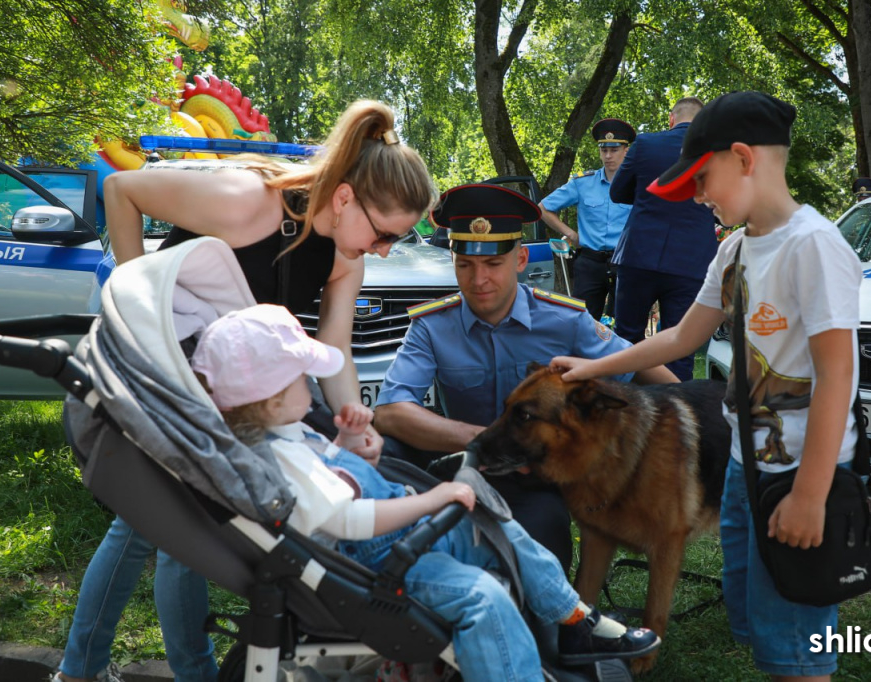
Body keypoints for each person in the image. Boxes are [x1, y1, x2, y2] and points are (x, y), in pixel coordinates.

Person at [54, 101, 437, 682]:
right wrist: (141, 320)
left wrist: (354, 423)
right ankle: (108, 671)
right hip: (168, 372)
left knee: (186, 525)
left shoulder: (345, 257)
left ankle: (107, 670)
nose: (385, 249)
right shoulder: (247, 202)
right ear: (344, 199)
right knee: (157, 525)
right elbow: (124, 190)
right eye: (385, 234)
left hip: (230, 394)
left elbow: (335, 356)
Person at [552, 91, 863, 681]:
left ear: (744, 158)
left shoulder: (814, 247)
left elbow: (836, 378)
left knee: (797, 645)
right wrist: (589, 367)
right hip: (748, 468)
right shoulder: (735, 249)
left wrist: (810, 496)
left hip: (800, 473)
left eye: (702, 179)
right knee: (756, 616)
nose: (698, 197)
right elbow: (679, 339)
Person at [189, 303, 663, 681]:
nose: (311, 386)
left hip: (398, 545)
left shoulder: (288, 436)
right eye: (301, 379)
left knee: (503, 530)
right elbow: (345, 520)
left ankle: (574, 621)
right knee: (483, 596)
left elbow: (330, 485)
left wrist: (351, 448)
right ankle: (555, 639)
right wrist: (435, 498)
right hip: (377, 560)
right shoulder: (281, 457)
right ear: (271, 398)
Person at [372, 183, 678, 574]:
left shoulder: (563, 320)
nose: (478, 279)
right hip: (467, 464)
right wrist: (485, 440)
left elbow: (641, 367)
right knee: (382, 454)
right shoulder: (433, 326)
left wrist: (692, 412)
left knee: (543, 542)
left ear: (520, 259)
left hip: (539, 477)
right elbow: (391, 412)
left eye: (493, 264)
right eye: (464, 264)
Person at [609, 96, 716, 381]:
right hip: (691, 259)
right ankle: (677, 415)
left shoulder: (645, 144)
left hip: (640, 254)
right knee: (680, 343)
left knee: (626, 338)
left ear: (671, 119)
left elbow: (617, 192)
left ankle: (625, 409)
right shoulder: (717, 153)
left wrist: (648, 195)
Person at [539, 118, 635, 320]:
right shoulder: (583, 183)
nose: (608, 156)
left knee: (626, 326)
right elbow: (543, 208)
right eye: (603, 150)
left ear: (626, 150)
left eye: (614, 150)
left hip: (626, 263)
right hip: (590, 264)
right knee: (582, 324)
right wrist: (571, 234)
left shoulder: (638, 183)